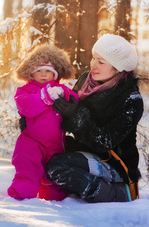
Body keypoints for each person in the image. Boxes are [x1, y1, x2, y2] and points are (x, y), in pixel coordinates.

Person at [45, 34, 143, 203]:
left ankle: (114, 192)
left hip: (114, 162)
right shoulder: (86, 81)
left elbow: (104, 141)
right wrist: (37, 119)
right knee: (45, 150)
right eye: (94, 58)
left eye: (101, 62)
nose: (93, 65)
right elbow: (65, 115)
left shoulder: (131, 100)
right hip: (86, 150)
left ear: (118, 68)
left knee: (57, 166)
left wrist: (76, 114)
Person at [8, 44, 79, 201]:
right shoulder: (25, 91)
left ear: (55, 74)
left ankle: (56, 200)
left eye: (48, 71)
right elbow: (26, 107)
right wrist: (44, 97)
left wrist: (65, 94)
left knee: (53, 178)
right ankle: (20, 196)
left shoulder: (60, 88)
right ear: (31, 73)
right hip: (31, 142)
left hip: (55, 144)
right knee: (28, 170)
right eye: (39, 70)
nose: (43, 75)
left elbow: (75, 98)